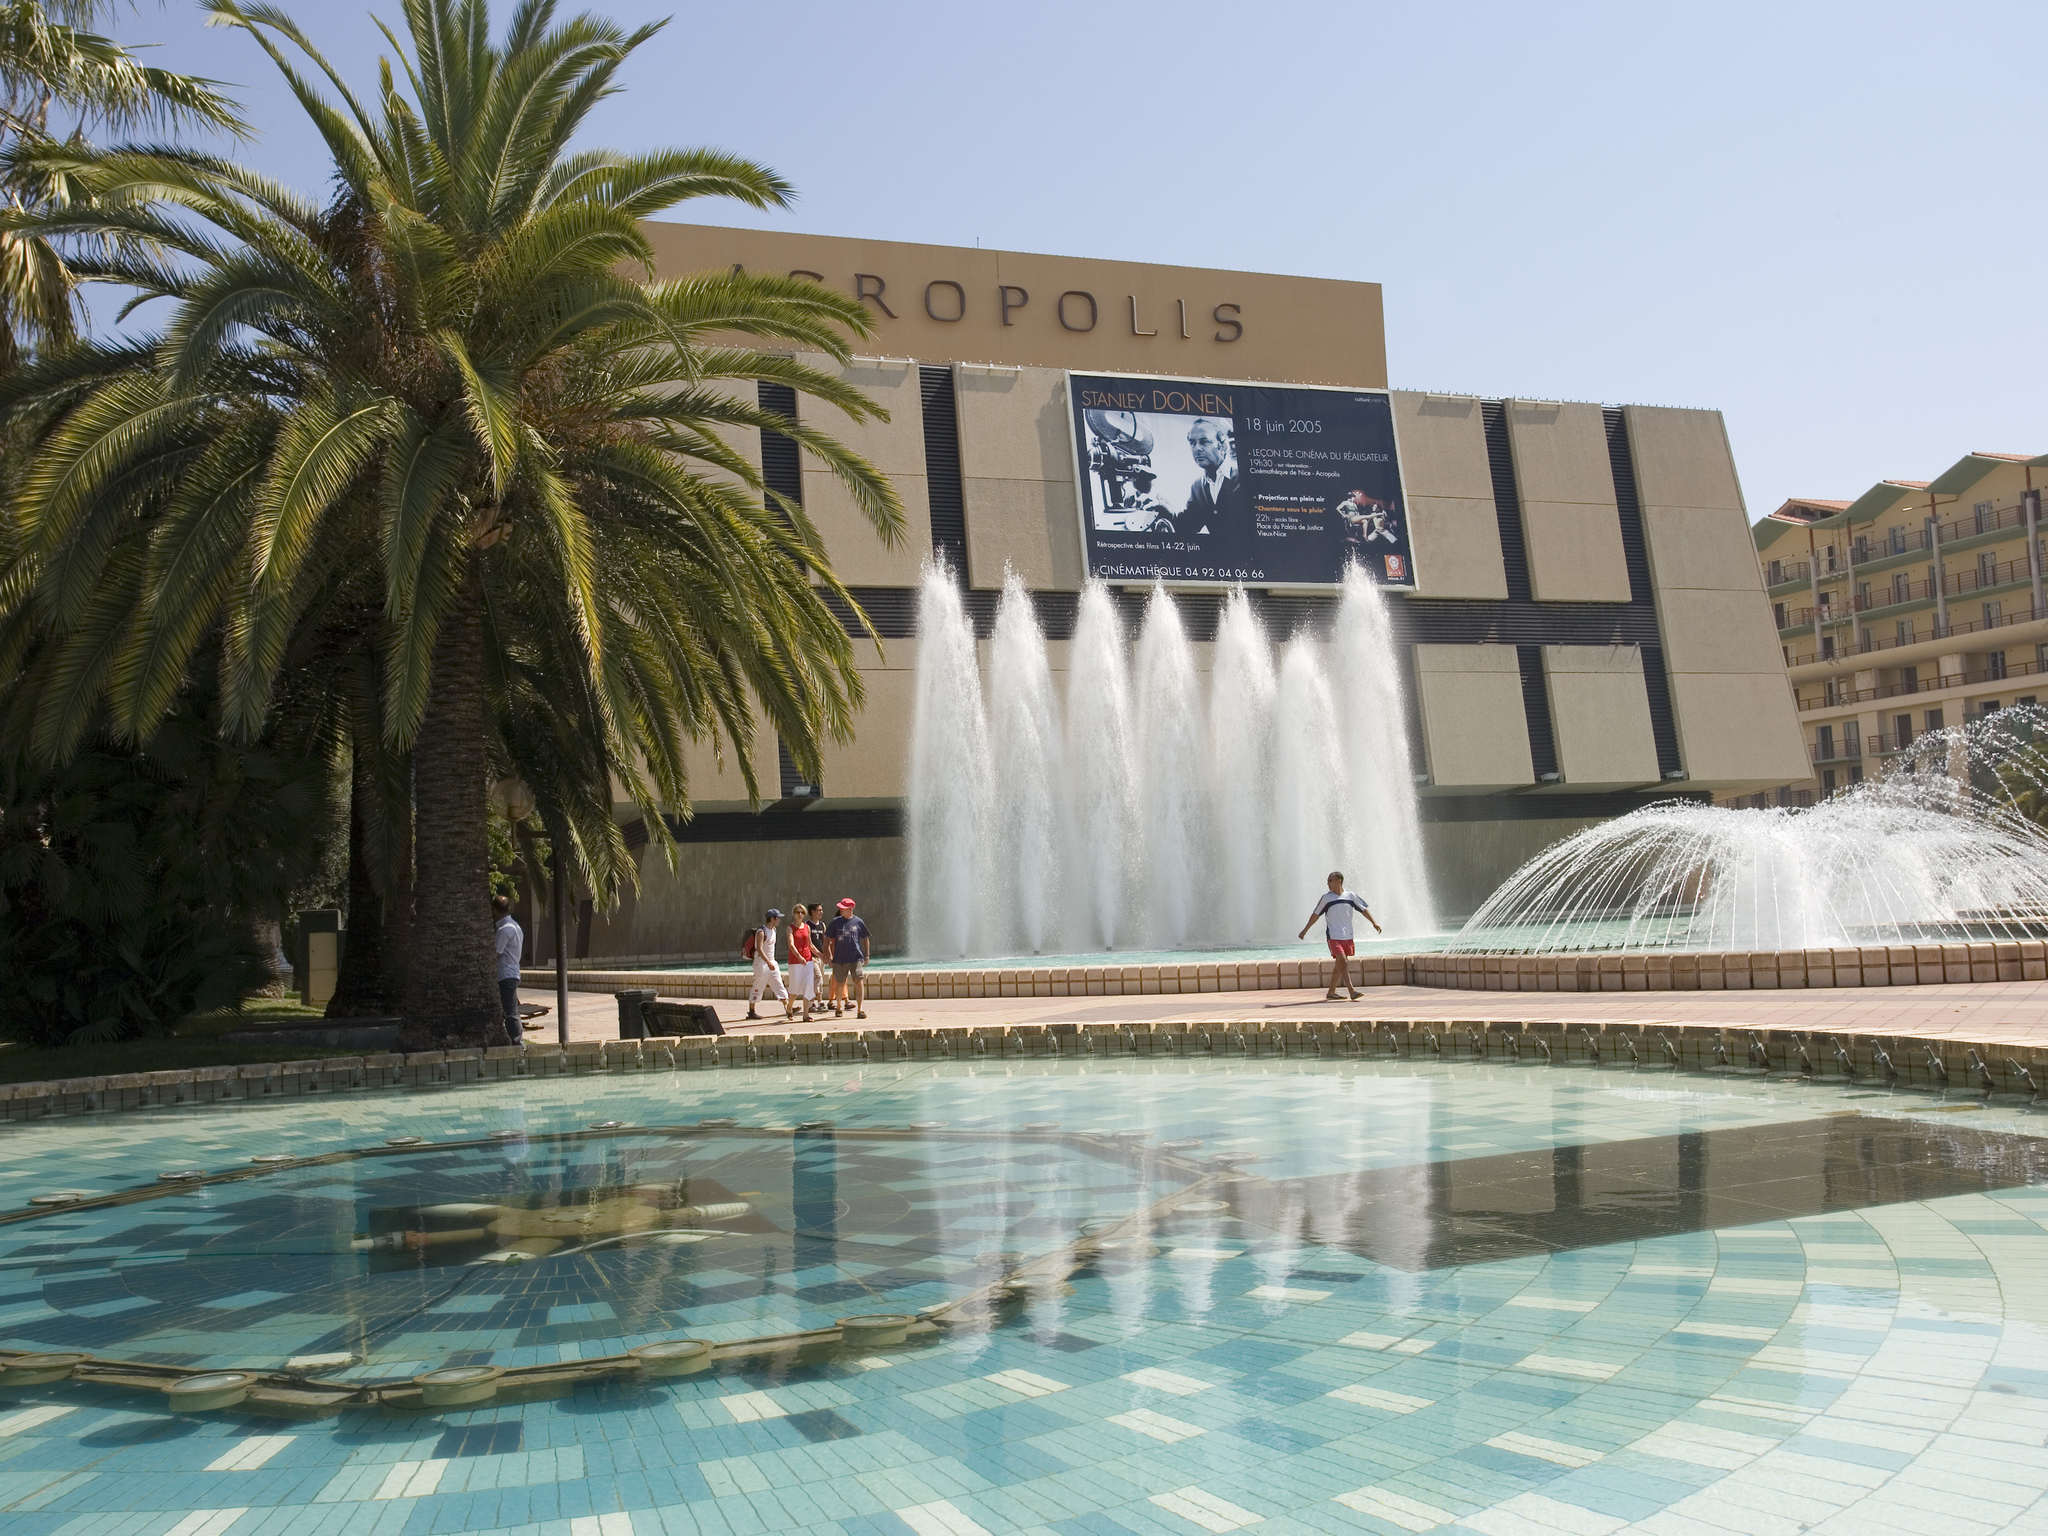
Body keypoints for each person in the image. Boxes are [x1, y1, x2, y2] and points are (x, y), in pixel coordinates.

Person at [1297, 871, 1380, 1002]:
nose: (1328, 883)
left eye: (1331, 880)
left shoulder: (1350, 896)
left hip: (1347, 935)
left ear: (1339, 880)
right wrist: (1305, 930)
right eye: (1328, 881)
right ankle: (1352, 991)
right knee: (1343, 961)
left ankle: (1331, 992)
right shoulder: (1326, 898)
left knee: (1339, 964)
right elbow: (1315, 915)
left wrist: (1374, 923)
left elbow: (1363, 909)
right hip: (1334, 936)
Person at [1179, 417, 1249, 537]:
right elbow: (1186, 526)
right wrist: (1165, 509)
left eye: (1204, 442)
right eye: (1192, 443)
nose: (1197, 449)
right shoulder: (1197, 487)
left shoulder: (1245, 477)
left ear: (1222, 446)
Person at [824, 897, 871, 1019]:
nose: (840, 910)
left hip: (855, 958)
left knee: (859, 982)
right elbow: (827, 938)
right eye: (840, 908)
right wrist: (827, 955)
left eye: (843, 908)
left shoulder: (858, 922)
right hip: (839, 959)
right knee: (840, 983)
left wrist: (867, 955)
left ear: (850, 909)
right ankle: (839, 1007)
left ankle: (860, 1009)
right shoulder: (835, 922)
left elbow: (865, 938)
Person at [746, 908, 794, 1022]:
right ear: (772, 918)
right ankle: (751, 1011)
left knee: (779, 984)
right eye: (778, 918)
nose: (779, 920)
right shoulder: (761, 931)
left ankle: (788, 1009)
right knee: (758, 986)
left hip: (772, 962)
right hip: (761, 963)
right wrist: (768, 962)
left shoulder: (774, 930)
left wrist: (771, 963)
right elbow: (759, 949)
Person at [492, 894, 524, 1044]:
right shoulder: (515, 926)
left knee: (511, 1012)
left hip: (505, 974)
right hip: (513, 972)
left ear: (495, 910)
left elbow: (495, 953)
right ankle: (514, 1040)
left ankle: (517, 1043)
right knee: (509, 1009)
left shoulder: (504, 930)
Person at [787, 902, 818, 1022]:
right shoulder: (790, 928)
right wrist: (799, 957)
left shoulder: (807, 927)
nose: (800, 914)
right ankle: (789, 1007)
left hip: (808, 961)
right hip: (795, 962)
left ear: (804, 914)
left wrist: (820, 955)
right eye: (797, 912)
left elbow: (810, 944)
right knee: (794, 990)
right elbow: (791, 944)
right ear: (794, 914)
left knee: (808, 987)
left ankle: (805, 1015)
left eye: (802, 912)